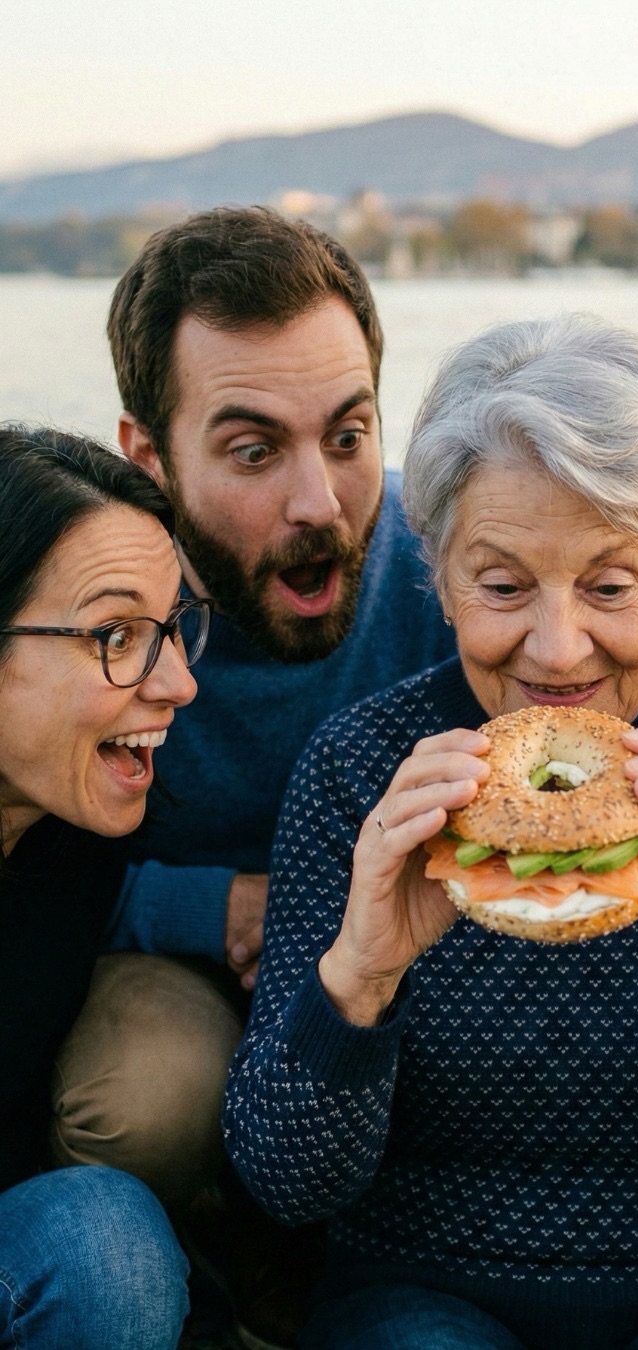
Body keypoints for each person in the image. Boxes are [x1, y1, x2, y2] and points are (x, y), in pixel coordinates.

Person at [223, 314, 638, 1350]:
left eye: (610, 584)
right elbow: (283, 1180)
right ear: (438, 571)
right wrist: (357, 975)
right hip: (420, 1285)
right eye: (501, 585)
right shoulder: (364, 770)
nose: (555, 645)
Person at [50, 207, 456, 1344]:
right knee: (144, 1096)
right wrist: (209, 907)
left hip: (408, 957)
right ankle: (196, 1280)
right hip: (179, 962)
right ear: (148, 457)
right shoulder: (85, 613)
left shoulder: (455, 574)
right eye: (251, 450)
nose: (319, 502)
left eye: (347, 433)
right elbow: (30, 859)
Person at [0, 424, 202, 1348]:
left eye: (171, 629)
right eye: (117, 635)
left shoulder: (73, 826)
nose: (180, 684)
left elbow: (126, 899)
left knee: (103, 1240)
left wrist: (228, 908)